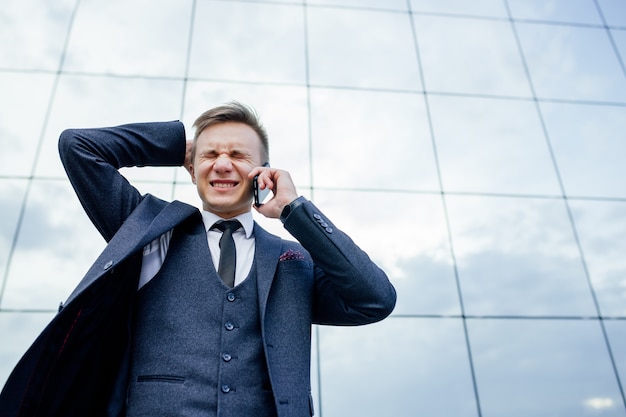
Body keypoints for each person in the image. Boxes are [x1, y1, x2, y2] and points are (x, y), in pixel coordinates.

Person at [0, 102, 396, 417]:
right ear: (191, 169)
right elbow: (78, 147)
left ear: (264, 173)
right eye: (211, 155)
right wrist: (177, 145)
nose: (222, 163)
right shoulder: (149, 229)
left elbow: (374, 299)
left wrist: (295, 210)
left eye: (238, 155)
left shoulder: (292, 261)